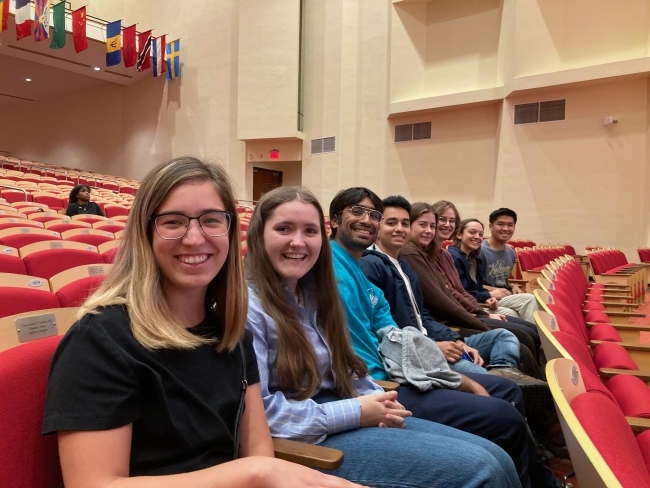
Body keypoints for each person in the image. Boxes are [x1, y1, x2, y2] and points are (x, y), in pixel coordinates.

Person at [42, 158, 359, 488]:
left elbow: (259, 452)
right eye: (173, 222)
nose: (194, 238)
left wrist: (261, 471)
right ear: (145, 232)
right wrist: (255, 474)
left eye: (211, 220)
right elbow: (94, 485)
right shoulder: (100, 339)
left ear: (230, 230)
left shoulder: (232, 333)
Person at [245, 185, 521, 488]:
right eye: (284, 228)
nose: (298, 241)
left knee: (497, 457)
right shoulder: (249, 307)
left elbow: (353, 360)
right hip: (308, 436)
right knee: (484, 469)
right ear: (259, 235)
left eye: (310, 231)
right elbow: (262, 416)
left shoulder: (312, 294)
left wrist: (375, 396)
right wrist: (358, 410)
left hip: (350, 403)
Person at [361, 195, 522, 377]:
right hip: (413, 352)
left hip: (431, 338)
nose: (400, 229)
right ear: (377, 226)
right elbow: (385, 330)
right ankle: (507, 384)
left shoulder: (403, 264)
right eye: (391, 223)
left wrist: (457, 340)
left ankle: (505, 373)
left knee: (504, 335)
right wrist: (434, 345)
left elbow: (423, 315)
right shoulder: (373, 265)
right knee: (486, 376)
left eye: (404, 224)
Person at [432, 201, 541, 359]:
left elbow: (463, 290)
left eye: (479, 234)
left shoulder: (473, 256)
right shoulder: (453, 256)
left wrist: (509, 286)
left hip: (479, 304)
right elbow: (455, 293)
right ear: (459, 234)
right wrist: (483, 306)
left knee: (524, 323)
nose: (477, 238)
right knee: (526, 313)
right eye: (472, 232)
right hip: (465, 311)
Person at [480, 207, 540, 324]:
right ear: (491, 227)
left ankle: (530, 339)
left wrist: (512, 285)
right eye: (501, 224)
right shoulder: (479, 250)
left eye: (510, 225)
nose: (506, 229)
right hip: (487, 298)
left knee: (516, 313)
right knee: (529, 300)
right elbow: (470, 284)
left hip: (504, 296)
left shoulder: (510, 252)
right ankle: (538, 339)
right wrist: (495, 289)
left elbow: (500, 279)